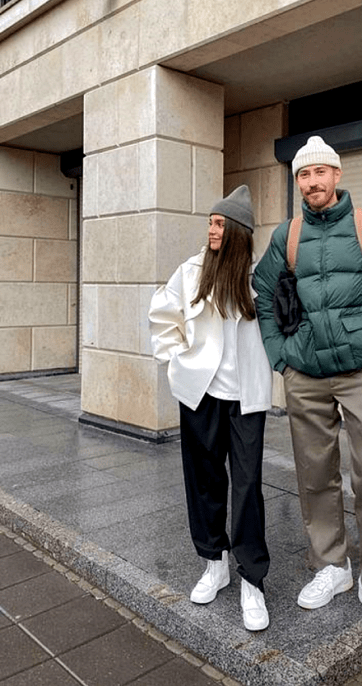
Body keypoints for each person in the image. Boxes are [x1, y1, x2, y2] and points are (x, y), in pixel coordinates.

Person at [253, 137, 362, 632]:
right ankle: (332, 567)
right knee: (314, 475)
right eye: (304, 175)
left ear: (337, 175)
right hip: (305, 374)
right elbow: (263, 292)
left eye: (320, 173)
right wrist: (281, 359)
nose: (313, 182)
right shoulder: (289, 235)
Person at [148, 185, 272, 631]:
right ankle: (214, 561)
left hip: (247, 399)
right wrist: (177, 360)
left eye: (219, 223)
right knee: (203, 481)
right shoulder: (192, 270)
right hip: (201, 394)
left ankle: (252, 579)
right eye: (210, 222)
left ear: (238, 230)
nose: (211, 230)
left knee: (247, 485)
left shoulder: (259, 277)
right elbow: (163, 317)